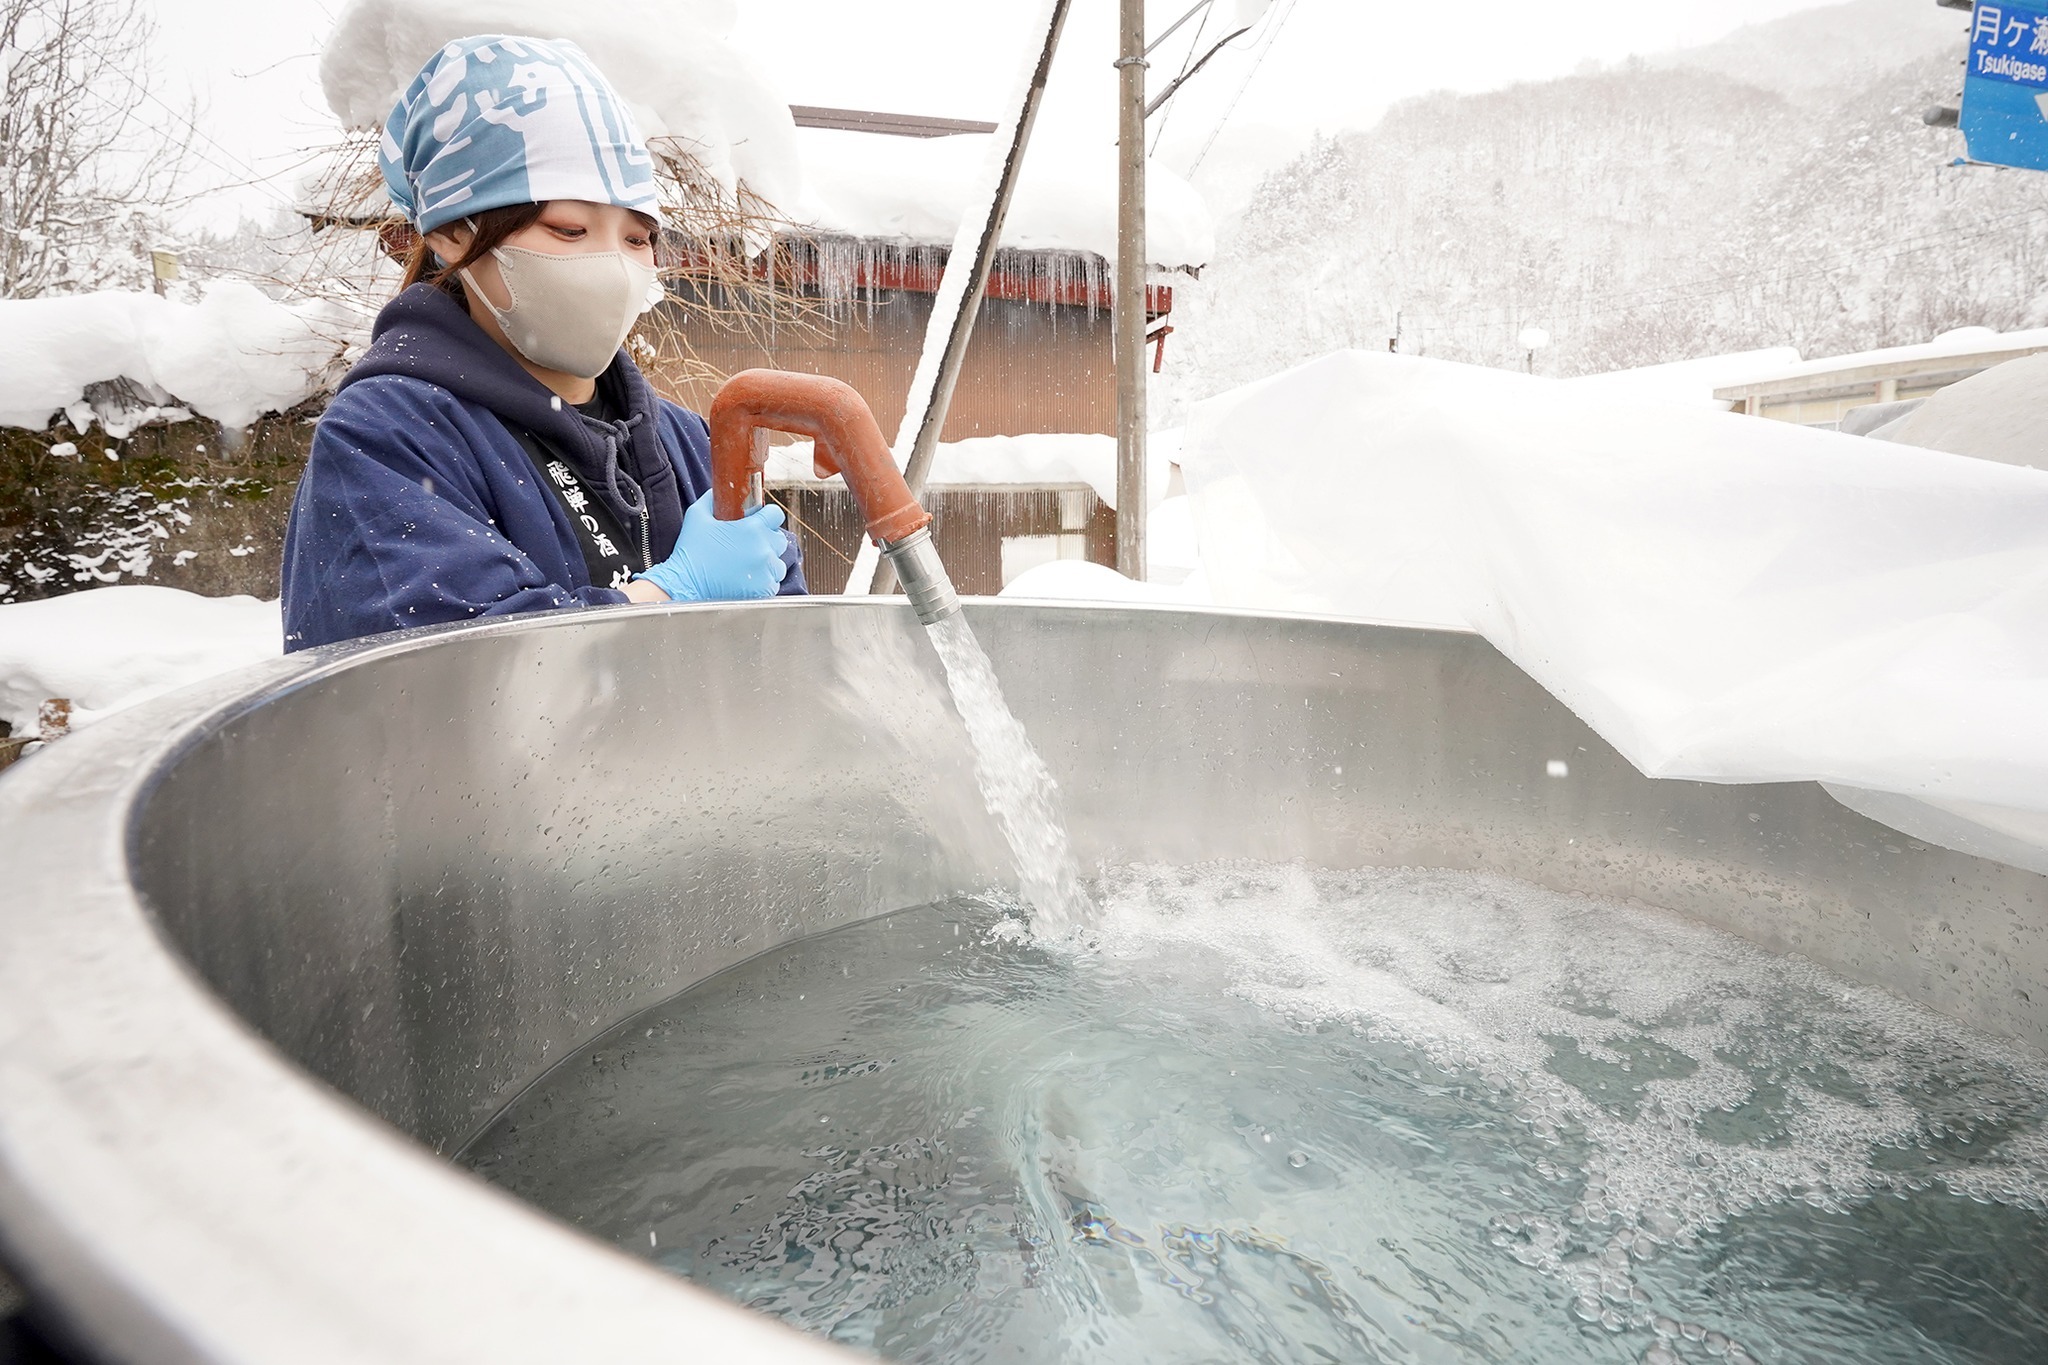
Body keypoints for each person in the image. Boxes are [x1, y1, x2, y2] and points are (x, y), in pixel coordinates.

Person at [281, 34, 801, 652]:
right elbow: (436, 680)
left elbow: (790, 668)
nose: (612, 266)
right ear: (453, 233)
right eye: (570, 229)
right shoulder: (387, 438)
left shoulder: (688, 444)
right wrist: (670, 595)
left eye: (637, 239)